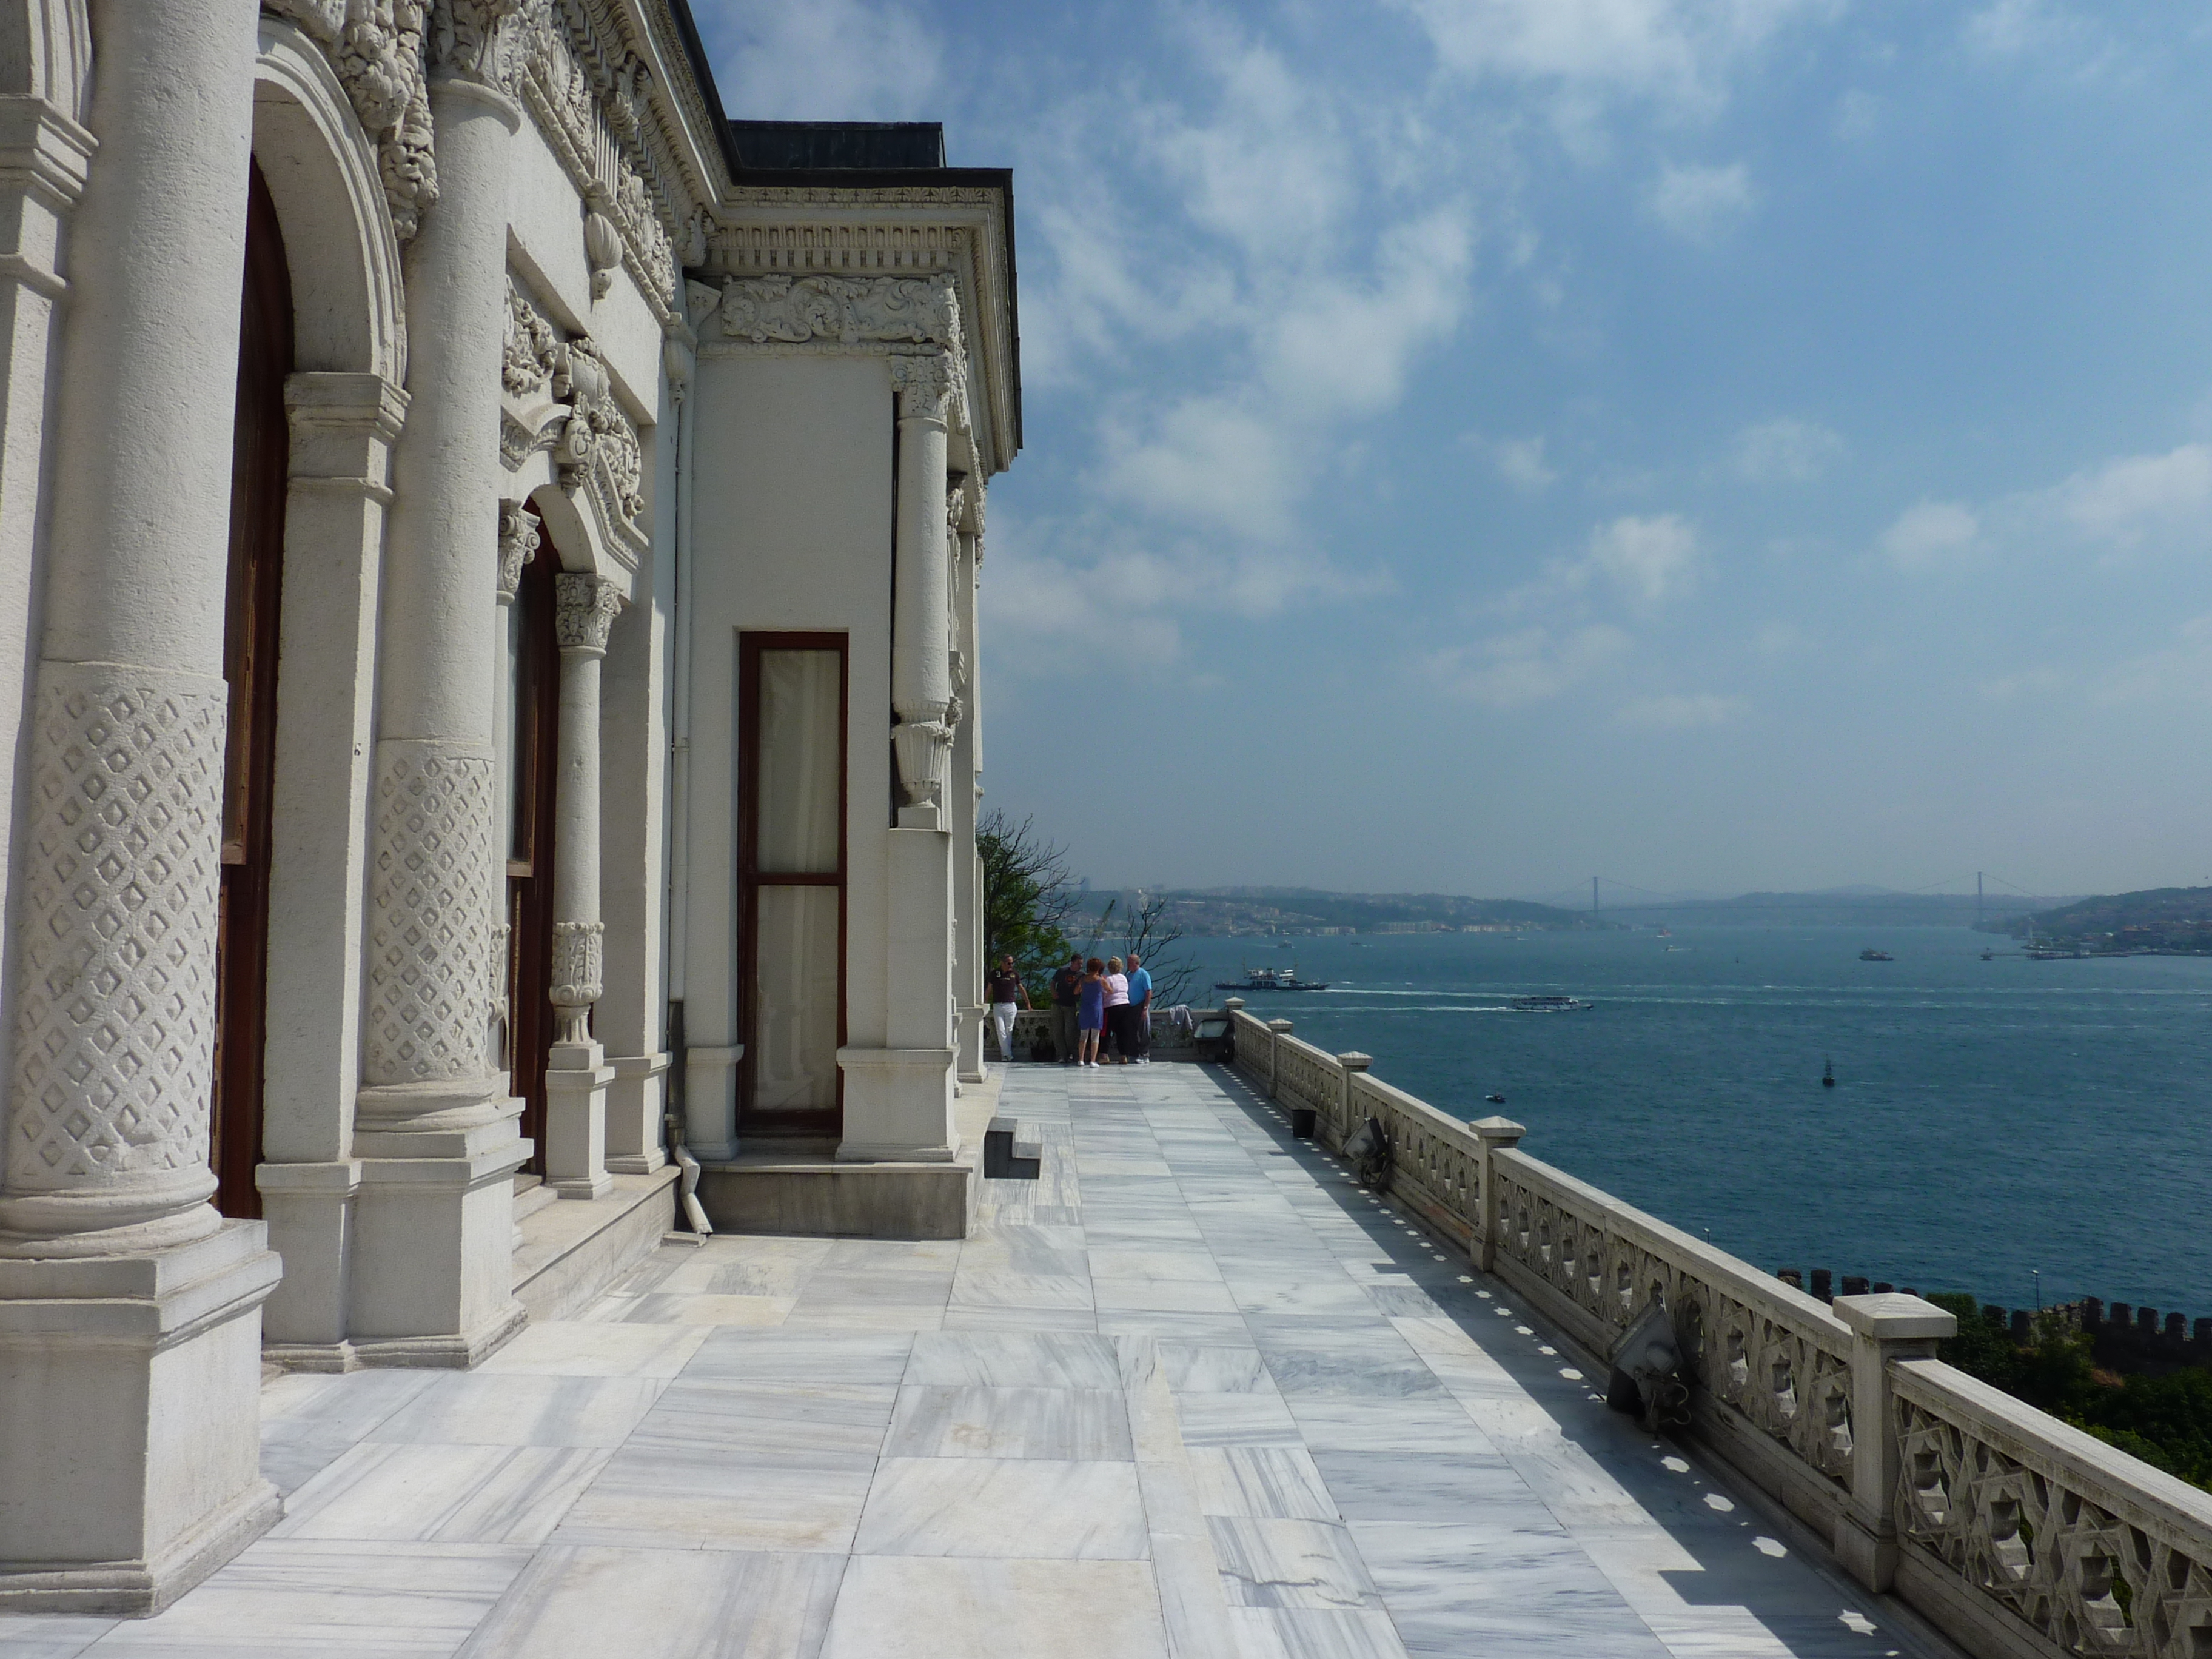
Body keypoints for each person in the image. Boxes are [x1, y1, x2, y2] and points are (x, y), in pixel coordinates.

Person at [985, 954, 1030, 1063]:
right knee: (1001, 1030)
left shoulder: (1014, 974)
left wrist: (1027, 1003)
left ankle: (1005, 1055)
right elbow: (989, 989)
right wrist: (985, 1002)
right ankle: (1008, 1054)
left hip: (1010, 1005)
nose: (1011, 965)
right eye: (1009, 963)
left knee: (1008, 1030)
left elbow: (1021, 988)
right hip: (998, 1005)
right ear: (1003, 963)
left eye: (1012, 963)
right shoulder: (995, 974)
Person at [1048, 952, 1084, 1065]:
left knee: (1070, 1032)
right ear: (1072, 963)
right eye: (1078, 964)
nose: (1080, 966)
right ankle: (1062, 1055)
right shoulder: (1062, 971)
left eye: (1081, 964)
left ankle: (1072, 1052)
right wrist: (1053, 992)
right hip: (1058, 1004)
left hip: (1070, 1005)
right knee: (1057, 1031)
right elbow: (1053, 982)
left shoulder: (1081, 975)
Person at [1076, 956, 1108, 1066]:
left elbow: (1076, 992)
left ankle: (1080, 1059)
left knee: (1083, 1036)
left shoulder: (1083, 979)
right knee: (1095, 1037)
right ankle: (1092, 1060)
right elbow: (1110, 990)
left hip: (1085, 1009)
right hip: (1096, 1010)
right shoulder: (1101, 980)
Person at [1124, 952, 1153, 1064]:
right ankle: (1134, 1053)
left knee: (1144, 1030)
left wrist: (1145, 1008)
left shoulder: (1143, 974)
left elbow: (1149, 992)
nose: (1128, 965)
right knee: (1132, 1032)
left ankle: (1145, 1054)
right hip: (1131, 1007)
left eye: (1129, 963)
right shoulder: (1129, 975)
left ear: (1136, 963)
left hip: (1141, 1005)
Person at [1102, 956, 1131, 1063]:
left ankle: (1104, 1055)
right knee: (1123, 1032)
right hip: (1125, 1004)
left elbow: (1105, 993)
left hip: (1112, 1006)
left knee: (1107, 1031)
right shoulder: (1124, 978)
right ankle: (1123, 1055)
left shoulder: (1109, 979)